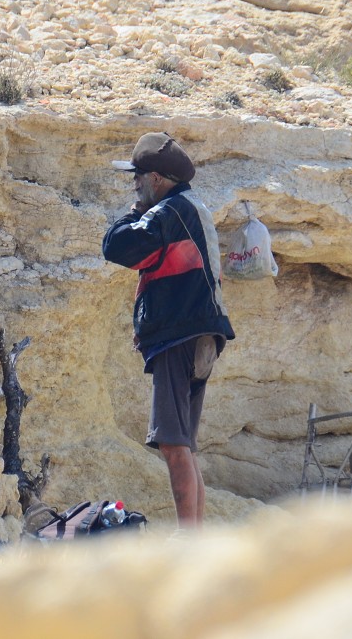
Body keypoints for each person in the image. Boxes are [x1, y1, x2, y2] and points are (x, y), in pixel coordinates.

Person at [101, 132, 234, 528]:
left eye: (138, 176)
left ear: (156, 178)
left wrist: (131, 213)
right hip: (200, 337)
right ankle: (194, 534)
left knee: (174, 444)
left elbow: (117, 247)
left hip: (180, 337)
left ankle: (187, 539)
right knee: (185, 447)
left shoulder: (168, 212)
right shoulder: (191, 207)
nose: (135, 183)